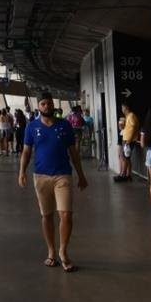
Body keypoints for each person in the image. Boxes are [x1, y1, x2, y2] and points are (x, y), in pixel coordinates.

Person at [18, 93, 88, 272]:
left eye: (49, 103)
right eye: (43, 104)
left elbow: (73, 152)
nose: (47, 106)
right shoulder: (32, 127)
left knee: (66, 214)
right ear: (38, 106)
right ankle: (51, 251)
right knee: (47, 216)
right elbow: (26, 152)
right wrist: (21, 172)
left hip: (63, 175)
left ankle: (63, 251)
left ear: (53, 105)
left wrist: (81, 175)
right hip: (41, 176)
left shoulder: (65, 125)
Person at [116, 103, 138, 182]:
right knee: (126, 158)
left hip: (129, 140)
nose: (122, 109)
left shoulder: (131, 115)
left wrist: (129, 140)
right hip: (126, 139)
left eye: (123, 107)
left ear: (126, 107)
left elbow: (134, 127)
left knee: (126, 157)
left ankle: (123, 175)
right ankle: (128, 175)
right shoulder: (127, 116)